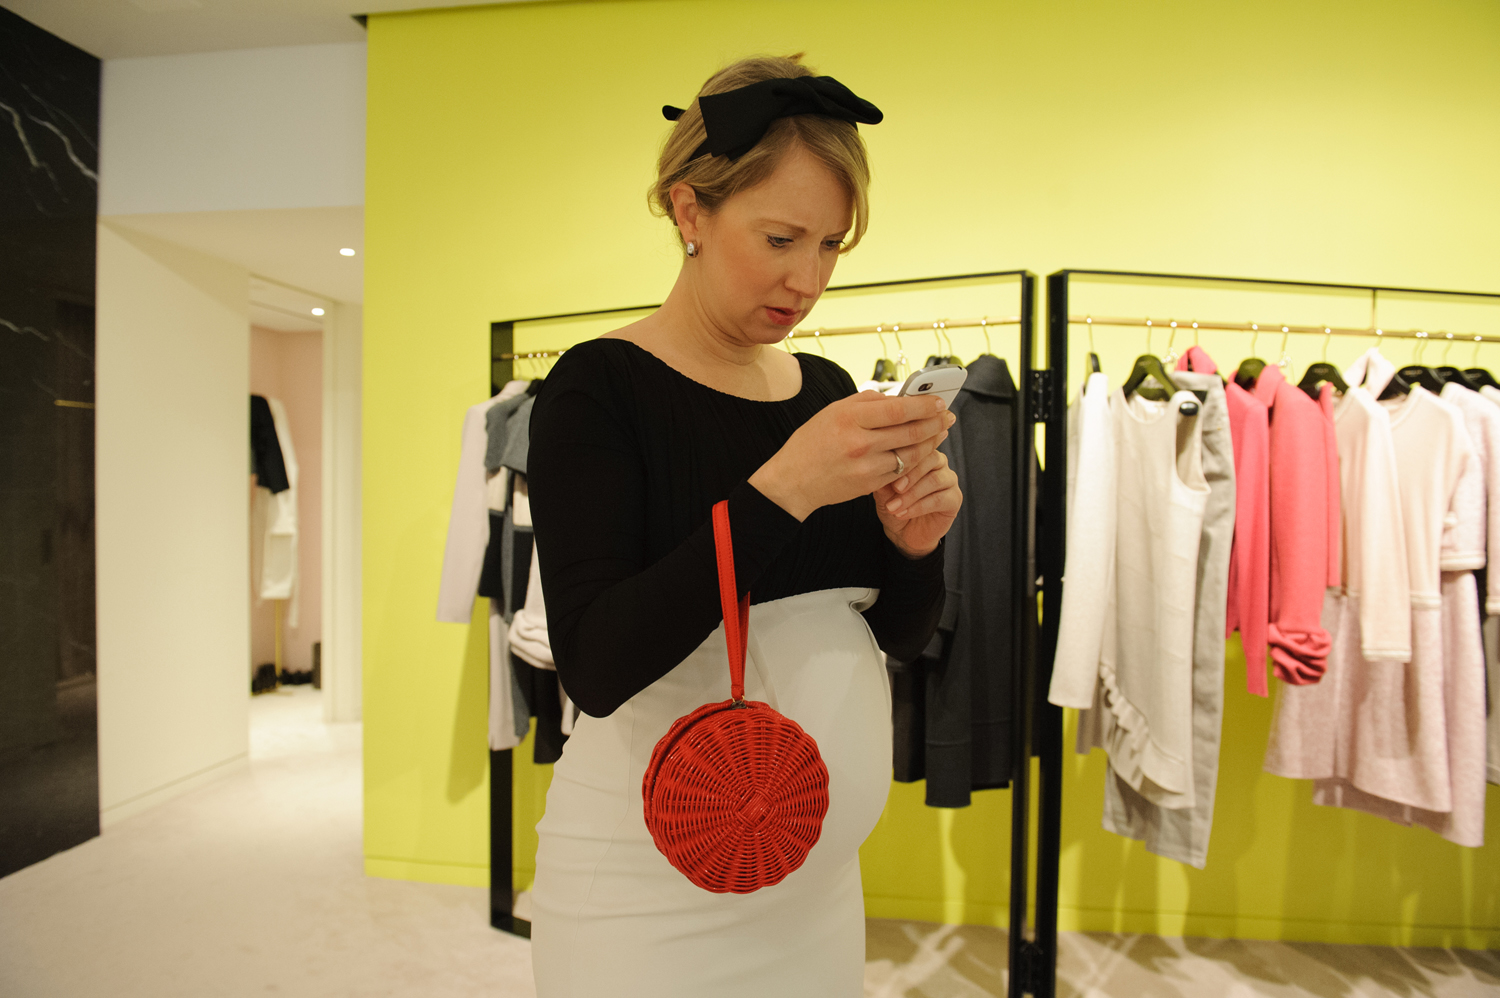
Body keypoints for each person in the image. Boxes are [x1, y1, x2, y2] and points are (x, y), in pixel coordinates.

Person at [526, 53, 962, 998]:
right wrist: (784, 489)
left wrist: (912, 548)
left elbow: (895, 631)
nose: (808, 278)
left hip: (812, 880)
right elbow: (597, 666)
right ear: (690, 213)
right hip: (647, 887)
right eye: (779, 237)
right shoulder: (596, 389)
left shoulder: (827, 391)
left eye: (832, 245)